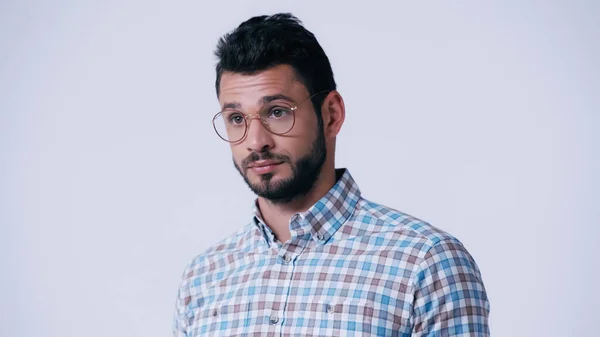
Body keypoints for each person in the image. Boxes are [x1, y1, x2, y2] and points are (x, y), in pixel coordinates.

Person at [173, 13, 490, 337]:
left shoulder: (425, 262)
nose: (256, 141)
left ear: (331, 115)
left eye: (278, 112)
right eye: (236, 118)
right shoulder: (203, 278)